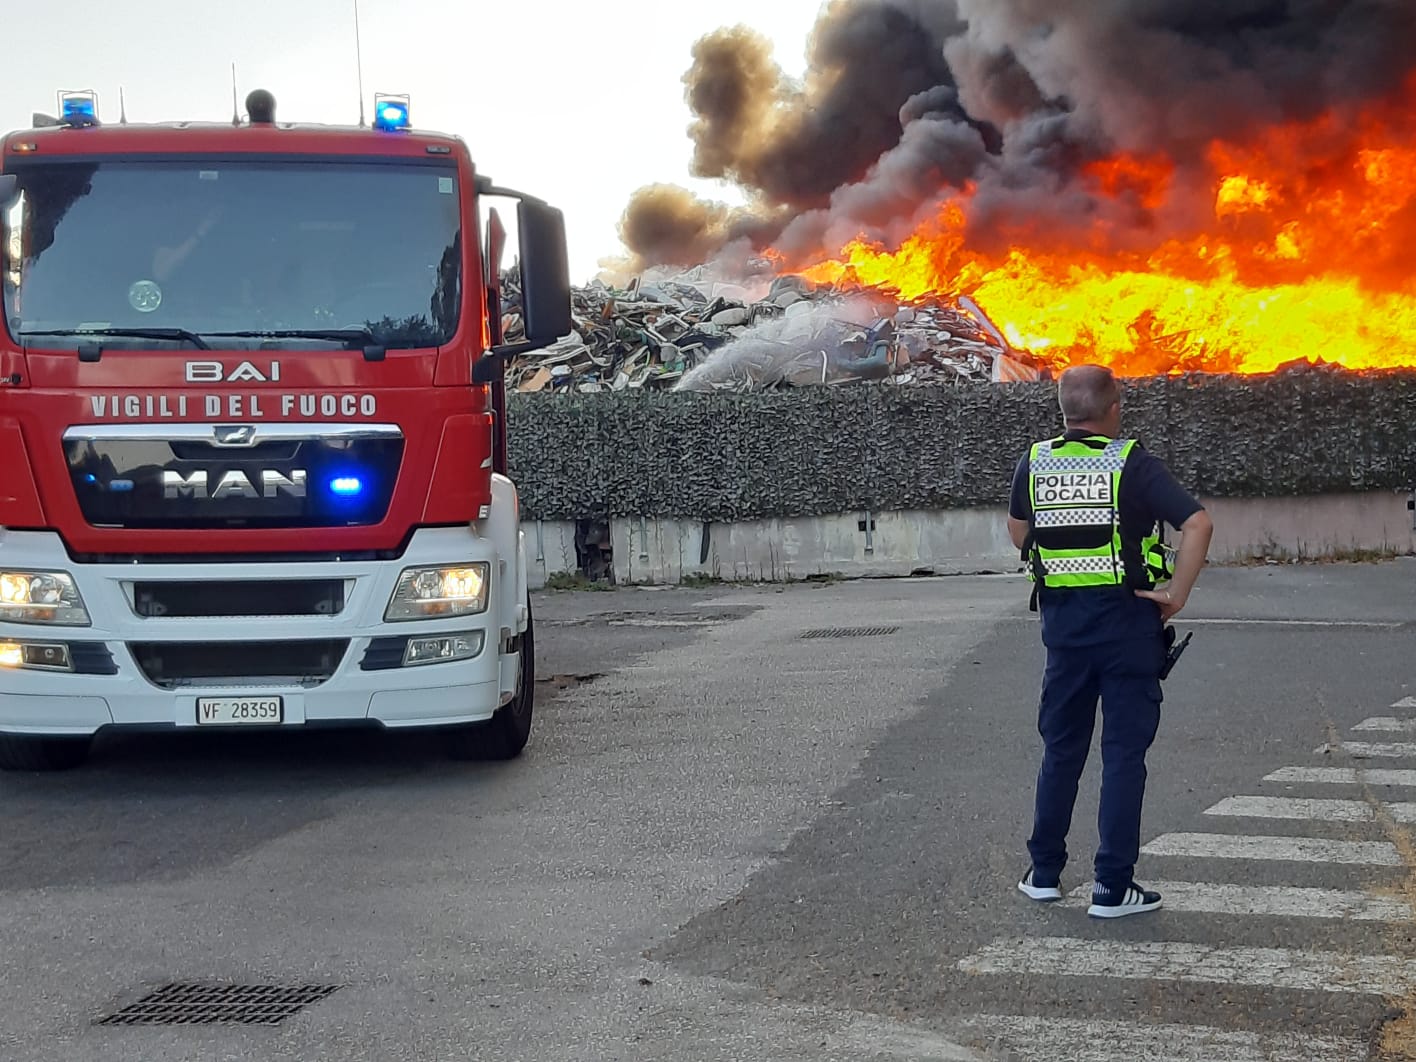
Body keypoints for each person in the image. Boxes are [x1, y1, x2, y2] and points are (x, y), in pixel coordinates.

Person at [1007, 364, 1214, 919]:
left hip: (1065, 638)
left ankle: (1044, 873)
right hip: (1129, 633)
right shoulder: (1133, 465)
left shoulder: (1035, 462)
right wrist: (1178, 593)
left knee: (1061, 752)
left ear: (1063, 412)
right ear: (1115, 409)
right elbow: (1198, 523)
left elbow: (1020, 534)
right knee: (1123, 756)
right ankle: (1111, 887)